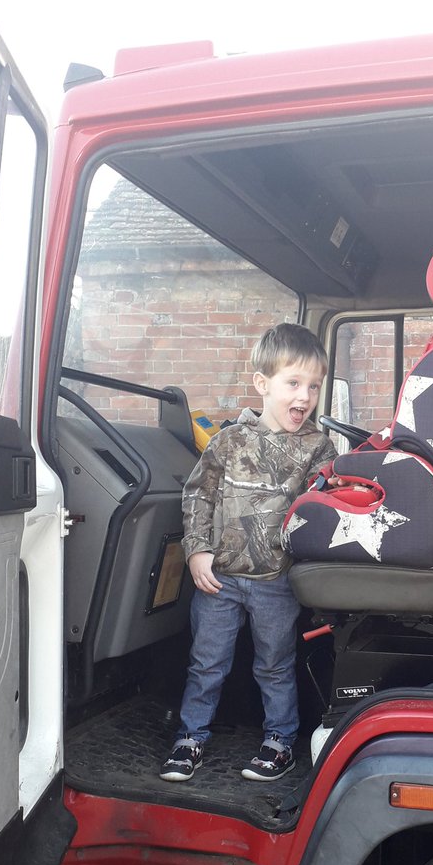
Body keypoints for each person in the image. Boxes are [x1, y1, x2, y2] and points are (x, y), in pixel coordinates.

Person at [160, 323, 336, 783]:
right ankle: (190, 737)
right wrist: (197, 550)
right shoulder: (229, 440)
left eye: (313, 386)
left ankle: (280, 741)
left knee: (275, 665)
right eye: (293, 383)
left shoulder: (318, 447)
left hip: (276, 581)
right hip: (219, 578)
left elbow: (322, 505)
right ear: (263, 383)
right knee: (206, 662)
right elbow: (199, 495)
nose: (304, 397)